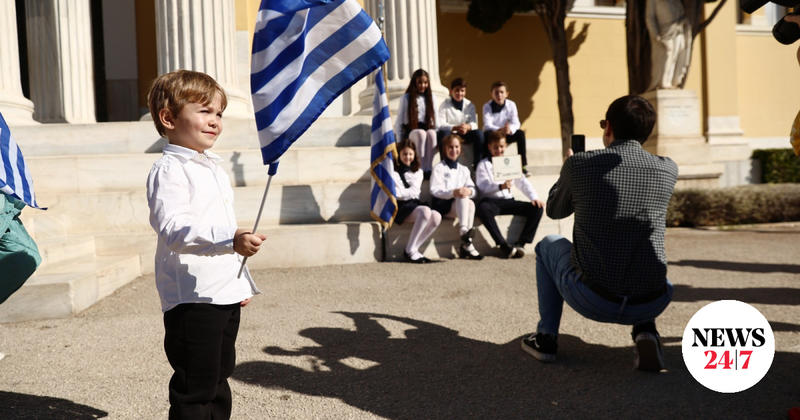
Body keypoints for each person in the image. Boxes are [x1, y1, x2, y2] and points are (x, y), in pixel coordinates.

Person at [520, 95, 678, 372]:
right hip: (653, 300)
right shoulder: (668, 169)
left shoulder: (580, 165)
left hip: (595, 299)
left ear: (609, 128)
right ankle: (646, 331)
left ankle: (546, 338)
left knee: (547, 245)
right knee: (639, 246)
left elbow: (555, 211)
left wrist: (567, 171)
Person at [146, 70, 265, 419]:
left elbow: (222, 225)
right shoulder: (169, 170)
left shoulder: (212, 167)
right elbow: (174, 229)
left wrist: (236, 283)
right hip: (192, 297)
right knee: (195, 388)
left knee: (218, 379)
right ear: (168, 118)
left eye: (219, 113)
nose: (215, 121)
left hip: (221, 292)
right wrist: (231, 239)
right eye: (204, 111)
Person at [475, 130, 544, 259]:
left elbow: (522, 182)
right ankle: (503, 245)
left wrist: (534, 197)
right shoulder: (483, 165)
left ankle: (521, 244)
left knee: (537, 208)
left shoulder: (510, 163)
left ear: (505, 146)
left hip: (508, 201)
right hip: (491, 202)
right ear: (489, 147)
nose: (499, 150)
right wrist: (499, 186)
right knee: (482, 208)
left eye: (501, 146)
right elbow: (482, 187)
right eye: (495, 147)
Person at [429, 134, 483, 260]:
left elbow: (474, 190)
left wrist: (469, 191)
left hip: (459, 206)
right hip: (443, 205)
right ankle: (465, 234)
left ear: (460, 148)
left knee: (469, 201)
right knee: (462, 197)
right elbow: (434, 190)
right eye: (451, 147)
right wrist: (453, 192)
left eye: (456, 147)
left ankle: (466, 240)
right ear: (445, 149)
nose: (454, 150)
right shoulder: (439, 168)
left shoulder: (464, 170)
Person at [391, 140, 442, 263]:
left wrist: (404, 192)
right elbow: (396, 194)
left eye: (410, 154)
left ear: (414, 155)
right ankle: (411, 251)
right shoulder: (393, 172)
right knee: (425, 211)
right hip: (399, 207)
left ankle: (412, 248)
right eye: (404, 154)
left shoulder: (418, 172)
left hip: (413, 204)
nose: (408, 157)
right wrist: (406, 193)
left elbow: (415, 192)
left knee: (436, 216)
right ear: (399, 154)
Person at [395, 69, 438, 175]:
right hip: (411, 130)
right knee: (421, 133)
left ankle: (428, 167)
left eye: (425, 82)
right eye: (420, 82)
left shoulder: (432, 98)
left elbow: (437, 120)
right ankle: (420, 167)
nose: (423, 85)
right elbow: (399, 121)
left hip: (426, 128)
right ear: (414, 82)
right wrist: (400, 143)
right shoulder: (406, 98)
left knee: (432, 134)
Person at [482, 81, 529, 176]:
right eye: (496, 92)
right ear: (491, 94)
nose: (499, 95)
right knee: (486, 135)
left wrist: (510, 129)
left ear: (507, 94)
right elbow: (487, 124)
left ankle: (523, 165)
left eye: (501, 92)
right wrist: (500, 129)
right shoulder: (487, 106)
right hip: (494, 134)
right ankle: (489, 165)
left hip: (507, 133)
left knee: (520, 134)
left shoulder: (511, 105)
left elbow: (516, 123)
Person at [436, 78, 484, 167]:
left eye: (462, 91)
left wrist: (467, 127)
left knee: (479, 134)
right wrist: (454, 127)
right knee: (443, 133)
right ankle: (445, 163)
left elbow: (474, 123)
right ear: (451, 91)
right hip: (451, 133)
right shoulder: (444, 104)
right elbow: (441, 124)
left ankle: (478, 165)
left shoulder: (470, 105)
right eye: (457, 90)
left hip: (465, 133)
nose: (459, 93)